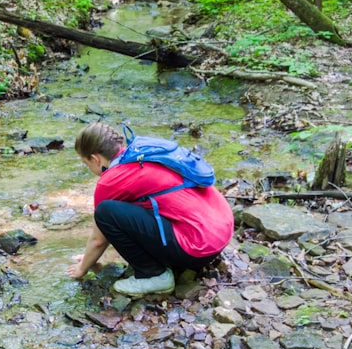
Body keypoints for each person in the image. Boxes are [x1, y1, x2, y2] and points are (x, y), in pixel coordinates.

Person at [67, 122, 233, 296]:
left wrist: (82, 268)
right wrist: (90, 257)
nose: (89, 168)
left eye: (86, 163)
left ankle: (154, 275)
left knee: (105, 212)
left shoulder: (110, 181)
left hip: (198, 247)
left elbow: (99, 238)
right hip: (222, 228)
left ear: (95, 159)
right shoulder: (141, 154)